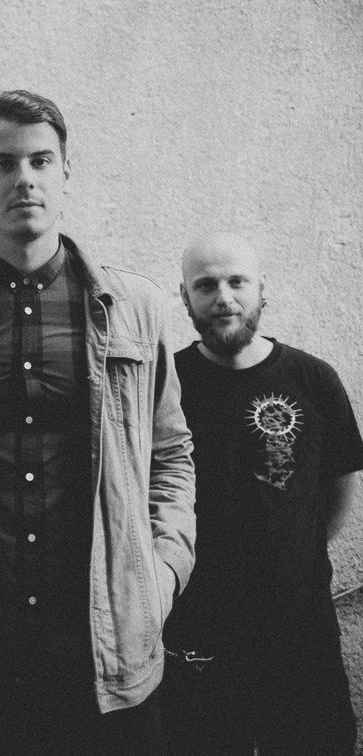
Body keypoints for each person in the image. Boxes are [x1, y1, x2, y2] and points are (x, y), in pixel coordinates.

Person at [0, 90, 196, 756]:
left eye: (41, 161)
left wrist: (162, 573)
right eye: (3, 163)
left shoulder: (134, 307)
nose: (23, 178)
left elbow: (171, 454)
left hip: (104, 643)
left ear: (66, 173)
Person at [163, 231, 363, 756]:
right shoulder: (166, 386)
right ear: (184, 296)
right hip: (198, 633)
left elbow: (340, 486)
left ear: (262, 290)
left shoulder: (312, 378)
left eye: (237, 282)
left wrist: (293, 552)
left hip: (300, 633)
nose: (223, 297)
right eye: (205, 285)